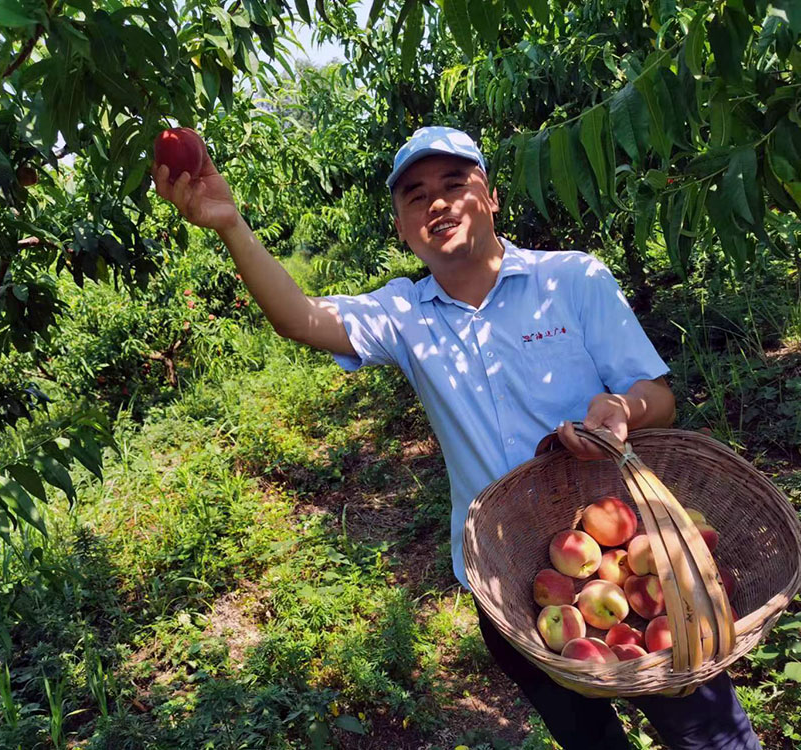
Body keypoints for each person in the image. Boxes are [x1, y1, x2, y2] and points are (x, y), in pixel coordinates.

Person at [152, 125, 761, 749]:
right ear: (401, 226)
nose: (437, 203)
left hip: (631, 557)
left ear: (491, 197)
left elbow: (659, 394)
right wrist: (230, 225)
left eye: (454, 184)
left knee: (709, 738)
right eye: (415, 195)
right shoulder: (405, 315)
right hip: (509, 587)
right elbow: (301, 319)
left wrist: (622, 407)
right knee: (589, 741)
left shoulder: (571, 280)